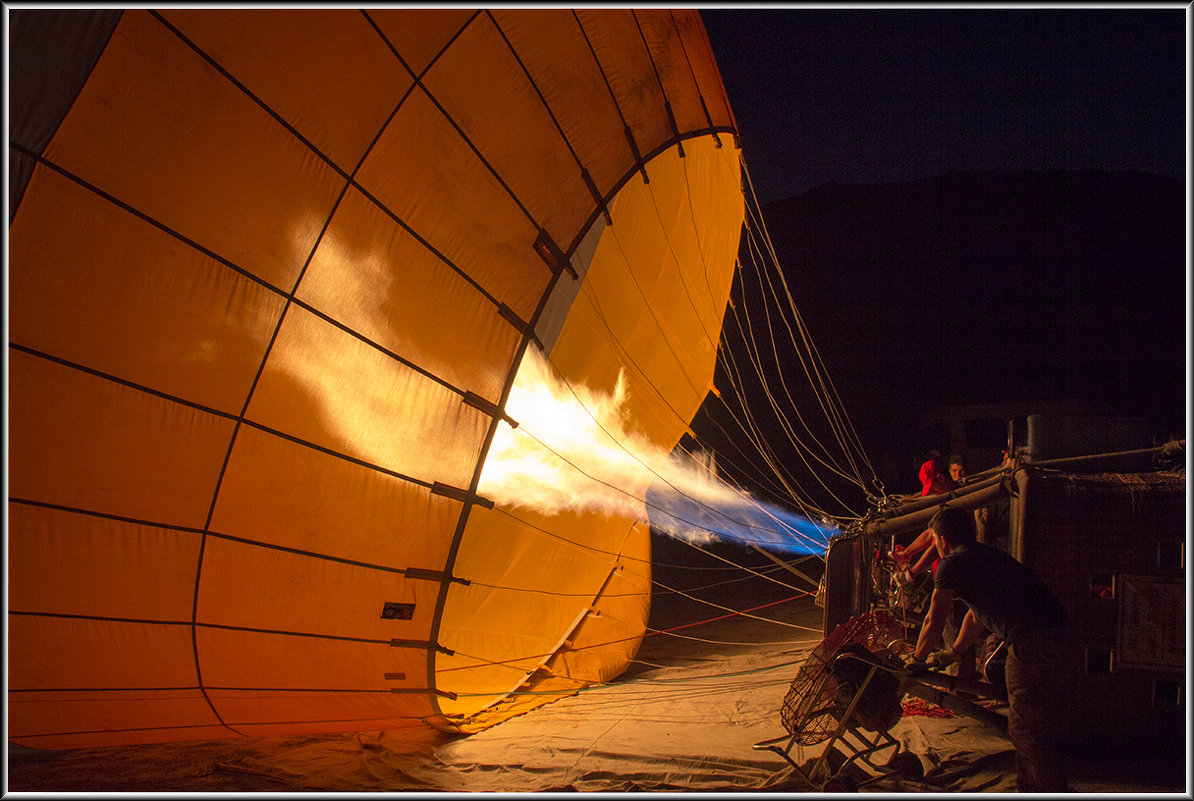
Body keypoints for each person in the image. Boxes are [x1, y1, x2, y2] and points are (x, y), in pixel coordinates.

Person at [907, 506, 1070, 793]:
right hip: (1050, 632)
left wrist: (917, 659)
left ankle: (1049, 790)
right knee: (1029, 720)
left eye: (934, 541)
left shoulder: (951, 564)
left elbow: (936, 616)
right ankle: (1028, 788)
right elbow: (975, 615)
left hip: (1031, 639)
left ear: (942, 540)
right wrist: (954, 653)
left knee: (1025, 728)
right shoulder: (984, 555)